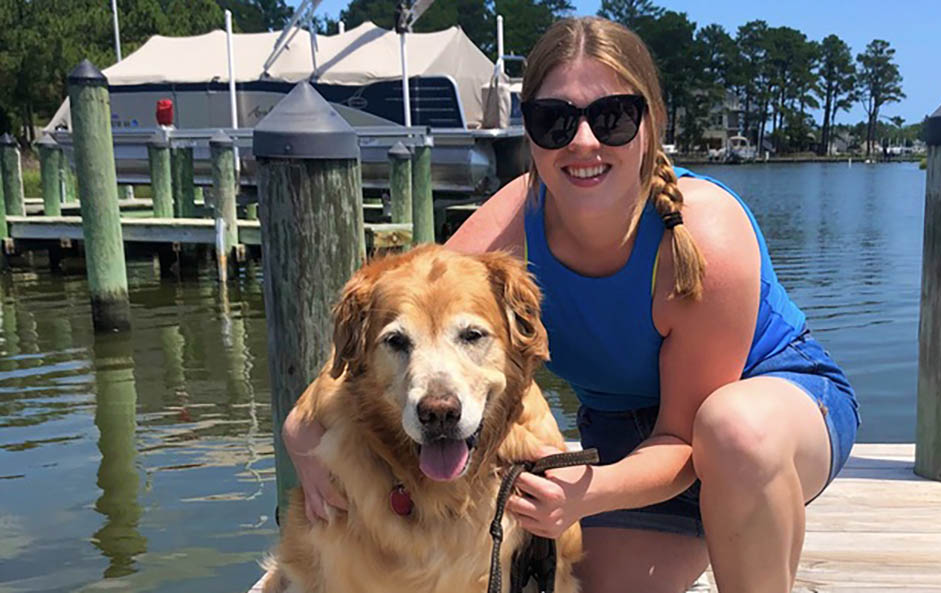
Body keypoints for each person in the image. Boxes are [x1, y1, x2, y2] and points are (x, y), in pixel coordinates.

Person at [282, 16, 859, 593]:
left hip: (764, 422)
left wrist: (590, 493)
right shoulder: (515, 218)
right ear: (528, 133)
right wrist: (300, 434)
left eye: (611, 117)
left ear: (650, 121)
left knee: (733, 432)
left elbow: (686, 438)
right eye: (554, 120)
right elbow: (407, 315)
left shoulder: (707, 231)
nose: (583, 142)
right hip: (624, 440)